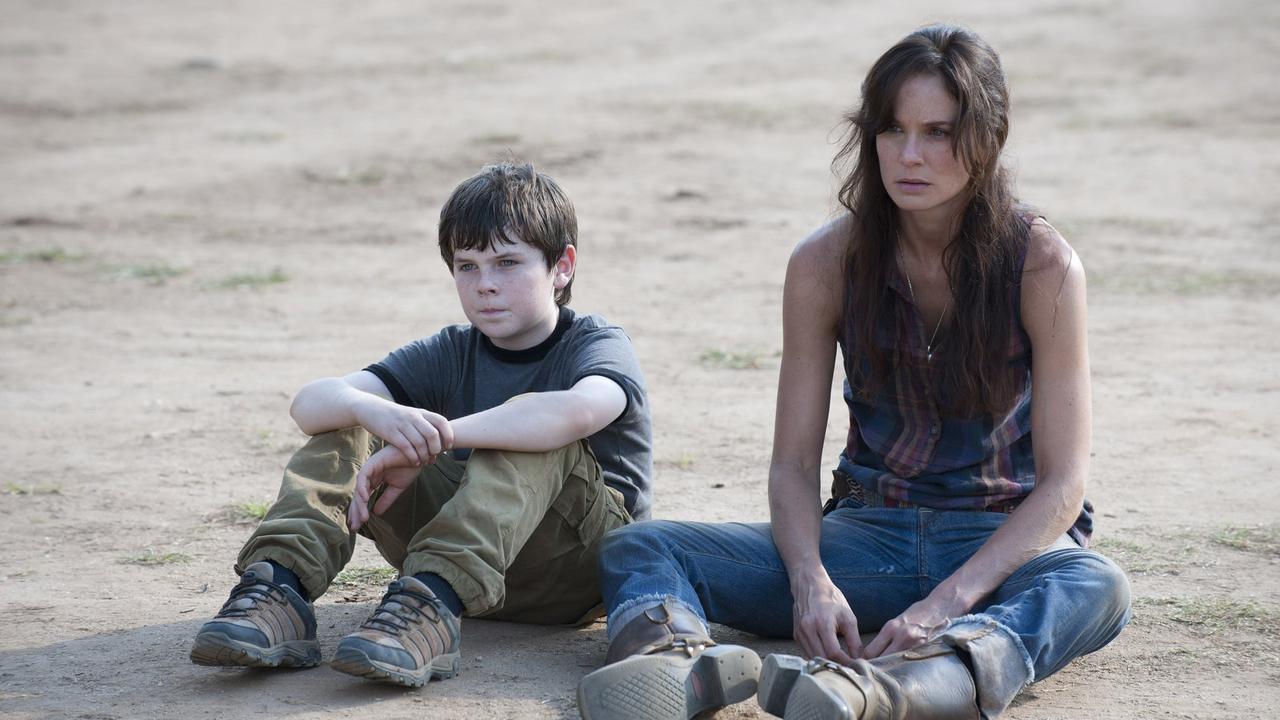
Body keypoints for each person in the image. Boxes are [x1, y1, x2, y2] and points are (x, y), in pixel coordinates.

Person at [577, 24, 1130, 720]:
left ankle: (890, 688)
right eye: (892, 130)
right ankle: (674, 668)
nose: (909, 155)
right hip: (867, 540)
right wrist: (810, 581)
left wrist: (945, 604)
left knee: (1097, 585)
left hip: (995, 547)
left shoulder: (1043, 266)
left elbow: (1063, 484)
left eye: (937, 132)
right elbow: (792, 464)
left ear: (987, 139)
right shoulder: (825, 263)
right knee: (643, 547)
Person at [190, 161, 653, 688]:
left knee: (530, 428)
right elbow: (309, 404)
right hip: (471, 564)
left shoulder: (597, 342)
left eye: (507, 263)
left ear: (562, 266)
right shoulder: (450, 350)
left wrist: (439, 437)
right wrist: (376, 413)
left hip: (576, 570)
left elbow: (576, 412)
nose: (485, 285)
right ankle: (278, 590)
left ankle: (430, 604)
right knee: (352, 418)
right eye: (467, 266)